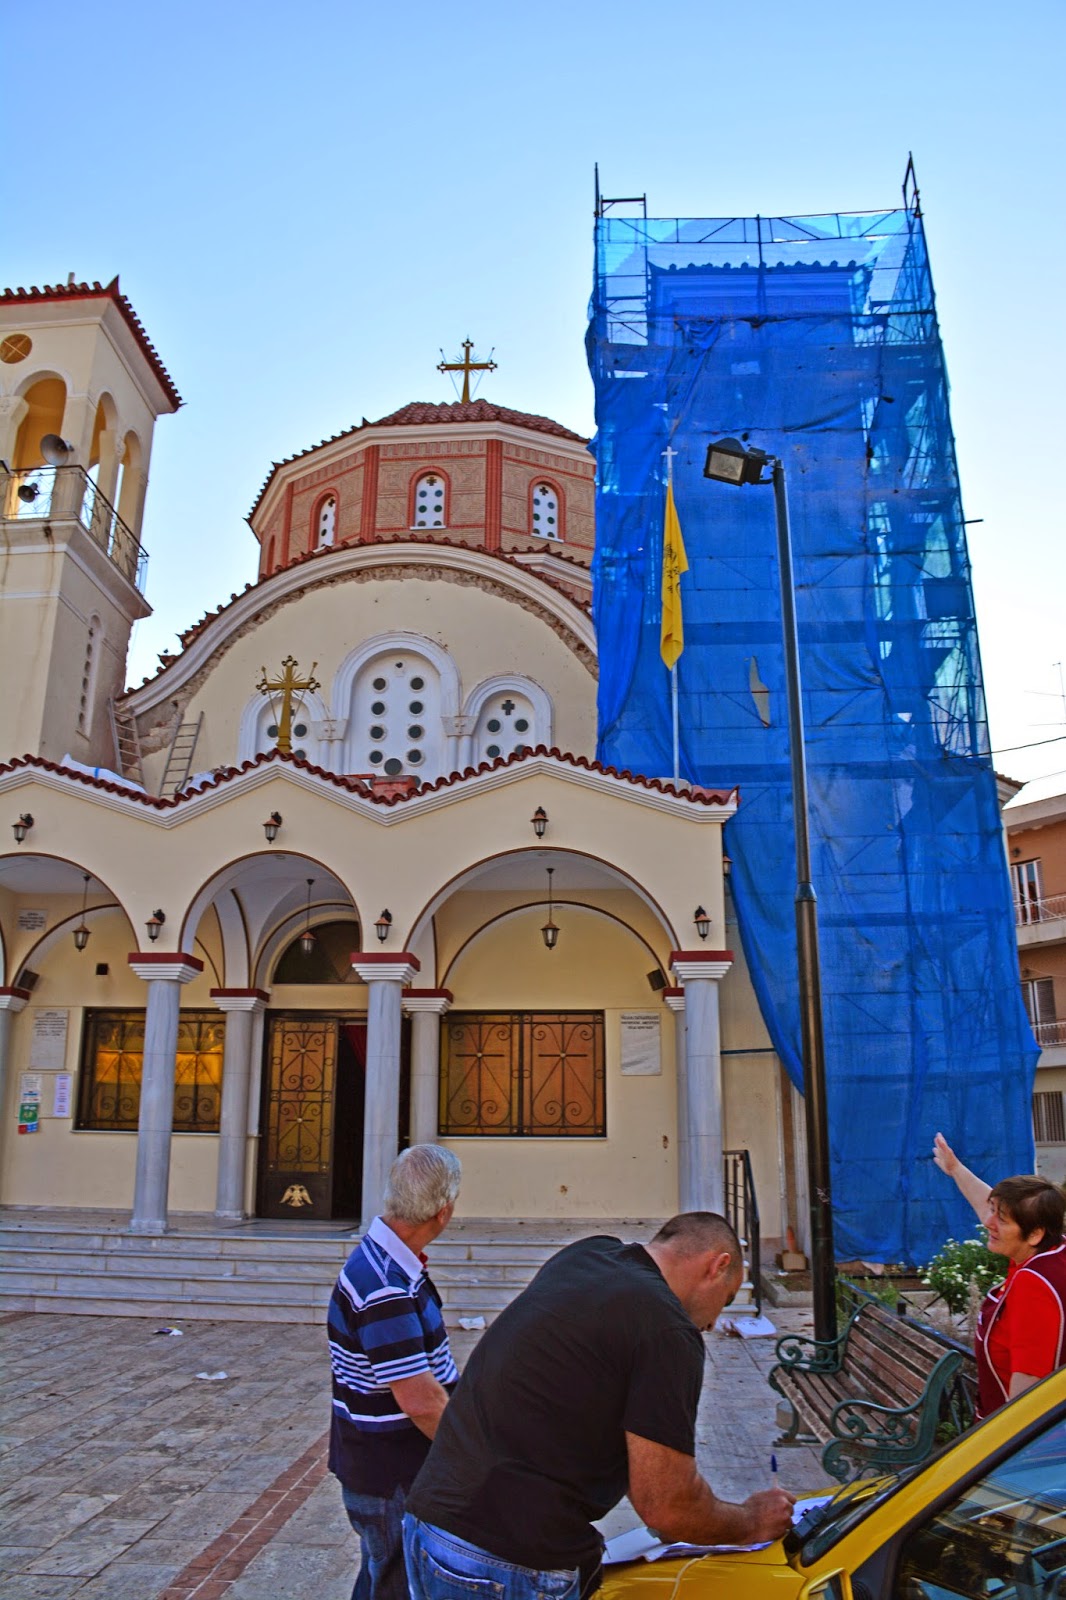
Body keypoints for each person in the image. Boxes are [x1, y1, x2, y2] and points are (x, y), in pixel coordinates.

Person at [404, 1212, 795, 1600]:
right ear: (718, 1265)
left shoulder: (588, 1255)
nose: (713, 1322)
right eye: (725, 1300)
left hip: (432, 1523)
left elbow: (585, 1402)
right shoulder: (667, 1329)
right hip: (504, 1562)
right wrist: (751, 1520)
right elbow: (667, 1507)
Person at [328, 1144, 462, 1600]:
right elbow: (420, 1400)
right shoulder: (385, 1285)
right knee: (396, 1583)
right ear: (443, 1212)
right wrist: (475, 1457)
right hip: (393, 1471)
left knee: (382, 1574)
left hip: (380, 1465)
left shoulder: (388, 1263)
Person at [933, 1131, 1066, 1416]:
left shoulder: (1035, 1284)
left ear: (1034, 1234)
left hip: (1017, 1443)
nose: (988, 1222)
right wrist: (956, 1169)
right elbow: (988, 1208)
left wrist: (1003, 1450)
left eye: (1001, 1219)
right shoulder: (1050, 1249)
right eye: (993, 1210)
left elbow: (1030, 1381)